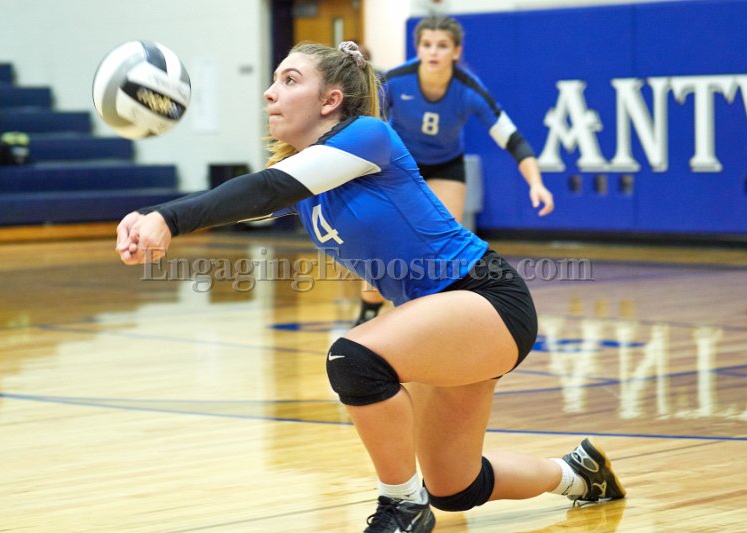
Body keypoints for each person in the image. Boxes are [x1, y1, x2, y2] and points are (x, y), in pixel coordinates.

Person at [115, 41, 624, 533]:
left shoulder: (369, 136)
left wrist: (169, 218)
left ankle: (401, 506)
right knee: (455, 487)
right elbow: (250, 198)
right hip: (438, 319)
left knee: (353, 359)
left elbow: (266, 189)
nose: (270, 92)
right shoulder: (306, 180)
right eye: (273, 81)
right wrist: (151, 218)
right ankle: (578, 474)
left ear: (330, 100)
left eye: (289, 80)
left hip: (484, 298)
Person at [353, 15, 554, 327]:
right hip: (401, 166)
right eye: (427, 44)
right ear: (418, 49)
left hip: (446, 166)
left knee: (441, 245)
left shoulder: (468, 89)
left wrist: (536, 183)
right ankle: (368, 310)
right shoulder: (397, 80)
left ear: (456, 51)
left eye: (442, 45)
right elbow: (367, 125)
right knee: (385, 241)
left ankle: (432, 319)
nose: (433, 52)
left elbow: (511, 138)